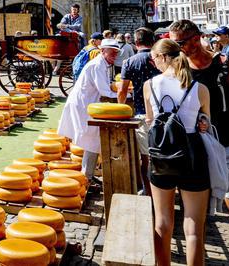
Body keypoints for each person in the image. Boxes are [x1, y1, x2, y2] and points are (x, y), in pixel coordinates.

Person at [171, 19, 229, 266]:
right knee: (198, 217)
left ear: (197, 37)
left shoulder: (223, 64)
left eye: (183, 42)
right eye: (175, 44)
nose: (180, 48)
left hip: (228, 144)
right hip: (196, 148)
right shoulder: (179, 68)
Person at [143, 38, 211, 266]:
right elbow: (205, 123)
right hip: (193, 154)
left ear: (163, 57)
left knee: (162, 222)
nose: (154, 64)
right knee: (194, 228)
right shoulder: (199, 88)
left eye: (155, 59)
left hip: (162, 154)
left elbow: (150, 120)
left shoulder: (150, 85)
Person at [58, 39, 119, 179]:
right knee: (92, 139)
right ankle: (87, 176)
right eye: (112, 53)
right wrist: (123, 94)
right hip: (83, 105)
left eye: (116, 53)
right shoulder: (98, 65)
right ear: (103, 51)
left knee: (92, 140)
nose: (114, 56)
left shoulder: (102, 64)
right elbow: (104, 91)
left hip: (87, 103)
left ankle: (88, 174)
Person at [118, 26, 160, 194]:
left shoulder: (130, 62)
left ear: (136, 42)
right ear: (153, 42)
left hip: (142, 112)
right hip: (165, 113)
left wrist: (121, 108)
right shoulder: (160, 59)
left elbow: (122, 90)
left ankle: (149, 192)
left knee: (146, 158)